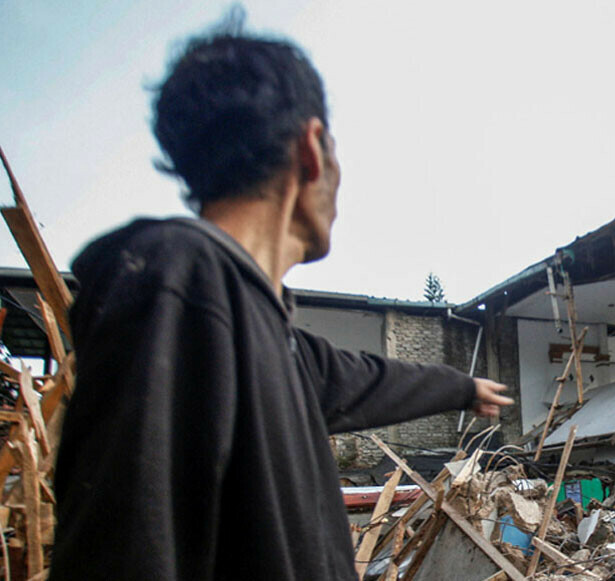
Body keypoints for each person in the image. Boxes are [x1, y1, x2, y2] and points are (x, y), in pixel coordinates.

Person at [49, 24, 513, 581]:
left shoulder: (277, 341)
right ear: (310, 149)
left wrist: (465, 388)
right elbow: (125, 551)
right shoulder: (177, 283)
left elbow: (373, 379)